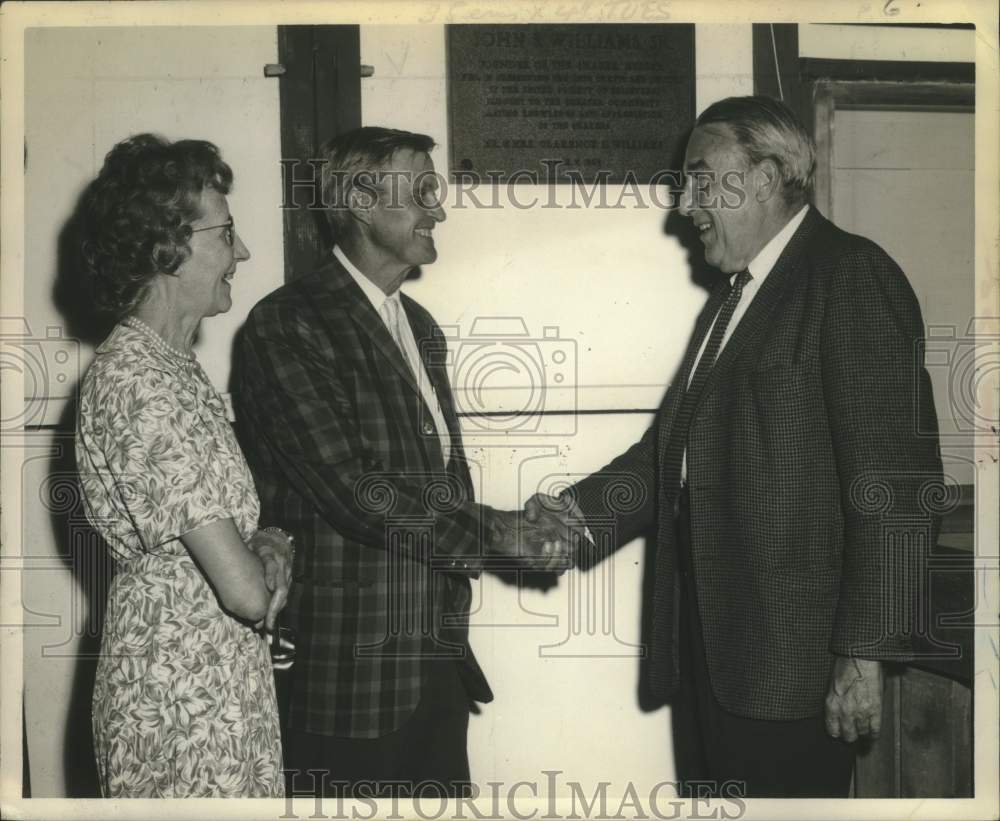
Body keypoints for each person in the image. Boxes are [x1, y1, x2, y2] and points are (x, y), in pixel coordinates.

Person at [528, 96, 943, 797]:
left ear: (764, 177)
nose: (683, 205)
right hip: (714, 656)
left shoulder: (850, 276)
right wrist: (570, 517)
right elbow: (668, 457)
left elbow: (896, 490)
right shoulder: (733, 298)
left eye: (698, 178)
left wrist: (863, 654)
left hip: (795, 668)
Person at [235, 126, 569, 798]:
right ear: (359, 200)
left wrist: (509, 532)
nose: (438, 210)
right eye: (419, 192)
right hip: (348, 687)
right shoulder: (288, 324)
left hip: (436, 673)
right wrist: (502, 532)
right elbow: (356, 490)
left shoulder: (417, 325)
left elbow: (440, 487)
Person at [75, 134, 294, 798]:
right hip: (179, 707)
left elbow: (232, 542)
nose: (243, 251)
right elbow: (247, 592)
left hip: (216, 688)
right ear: (166, 248)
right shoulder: (138, 379)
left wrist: (273, 541)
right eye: (226, 233)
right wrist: (273, 553)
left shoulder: (174, 368)